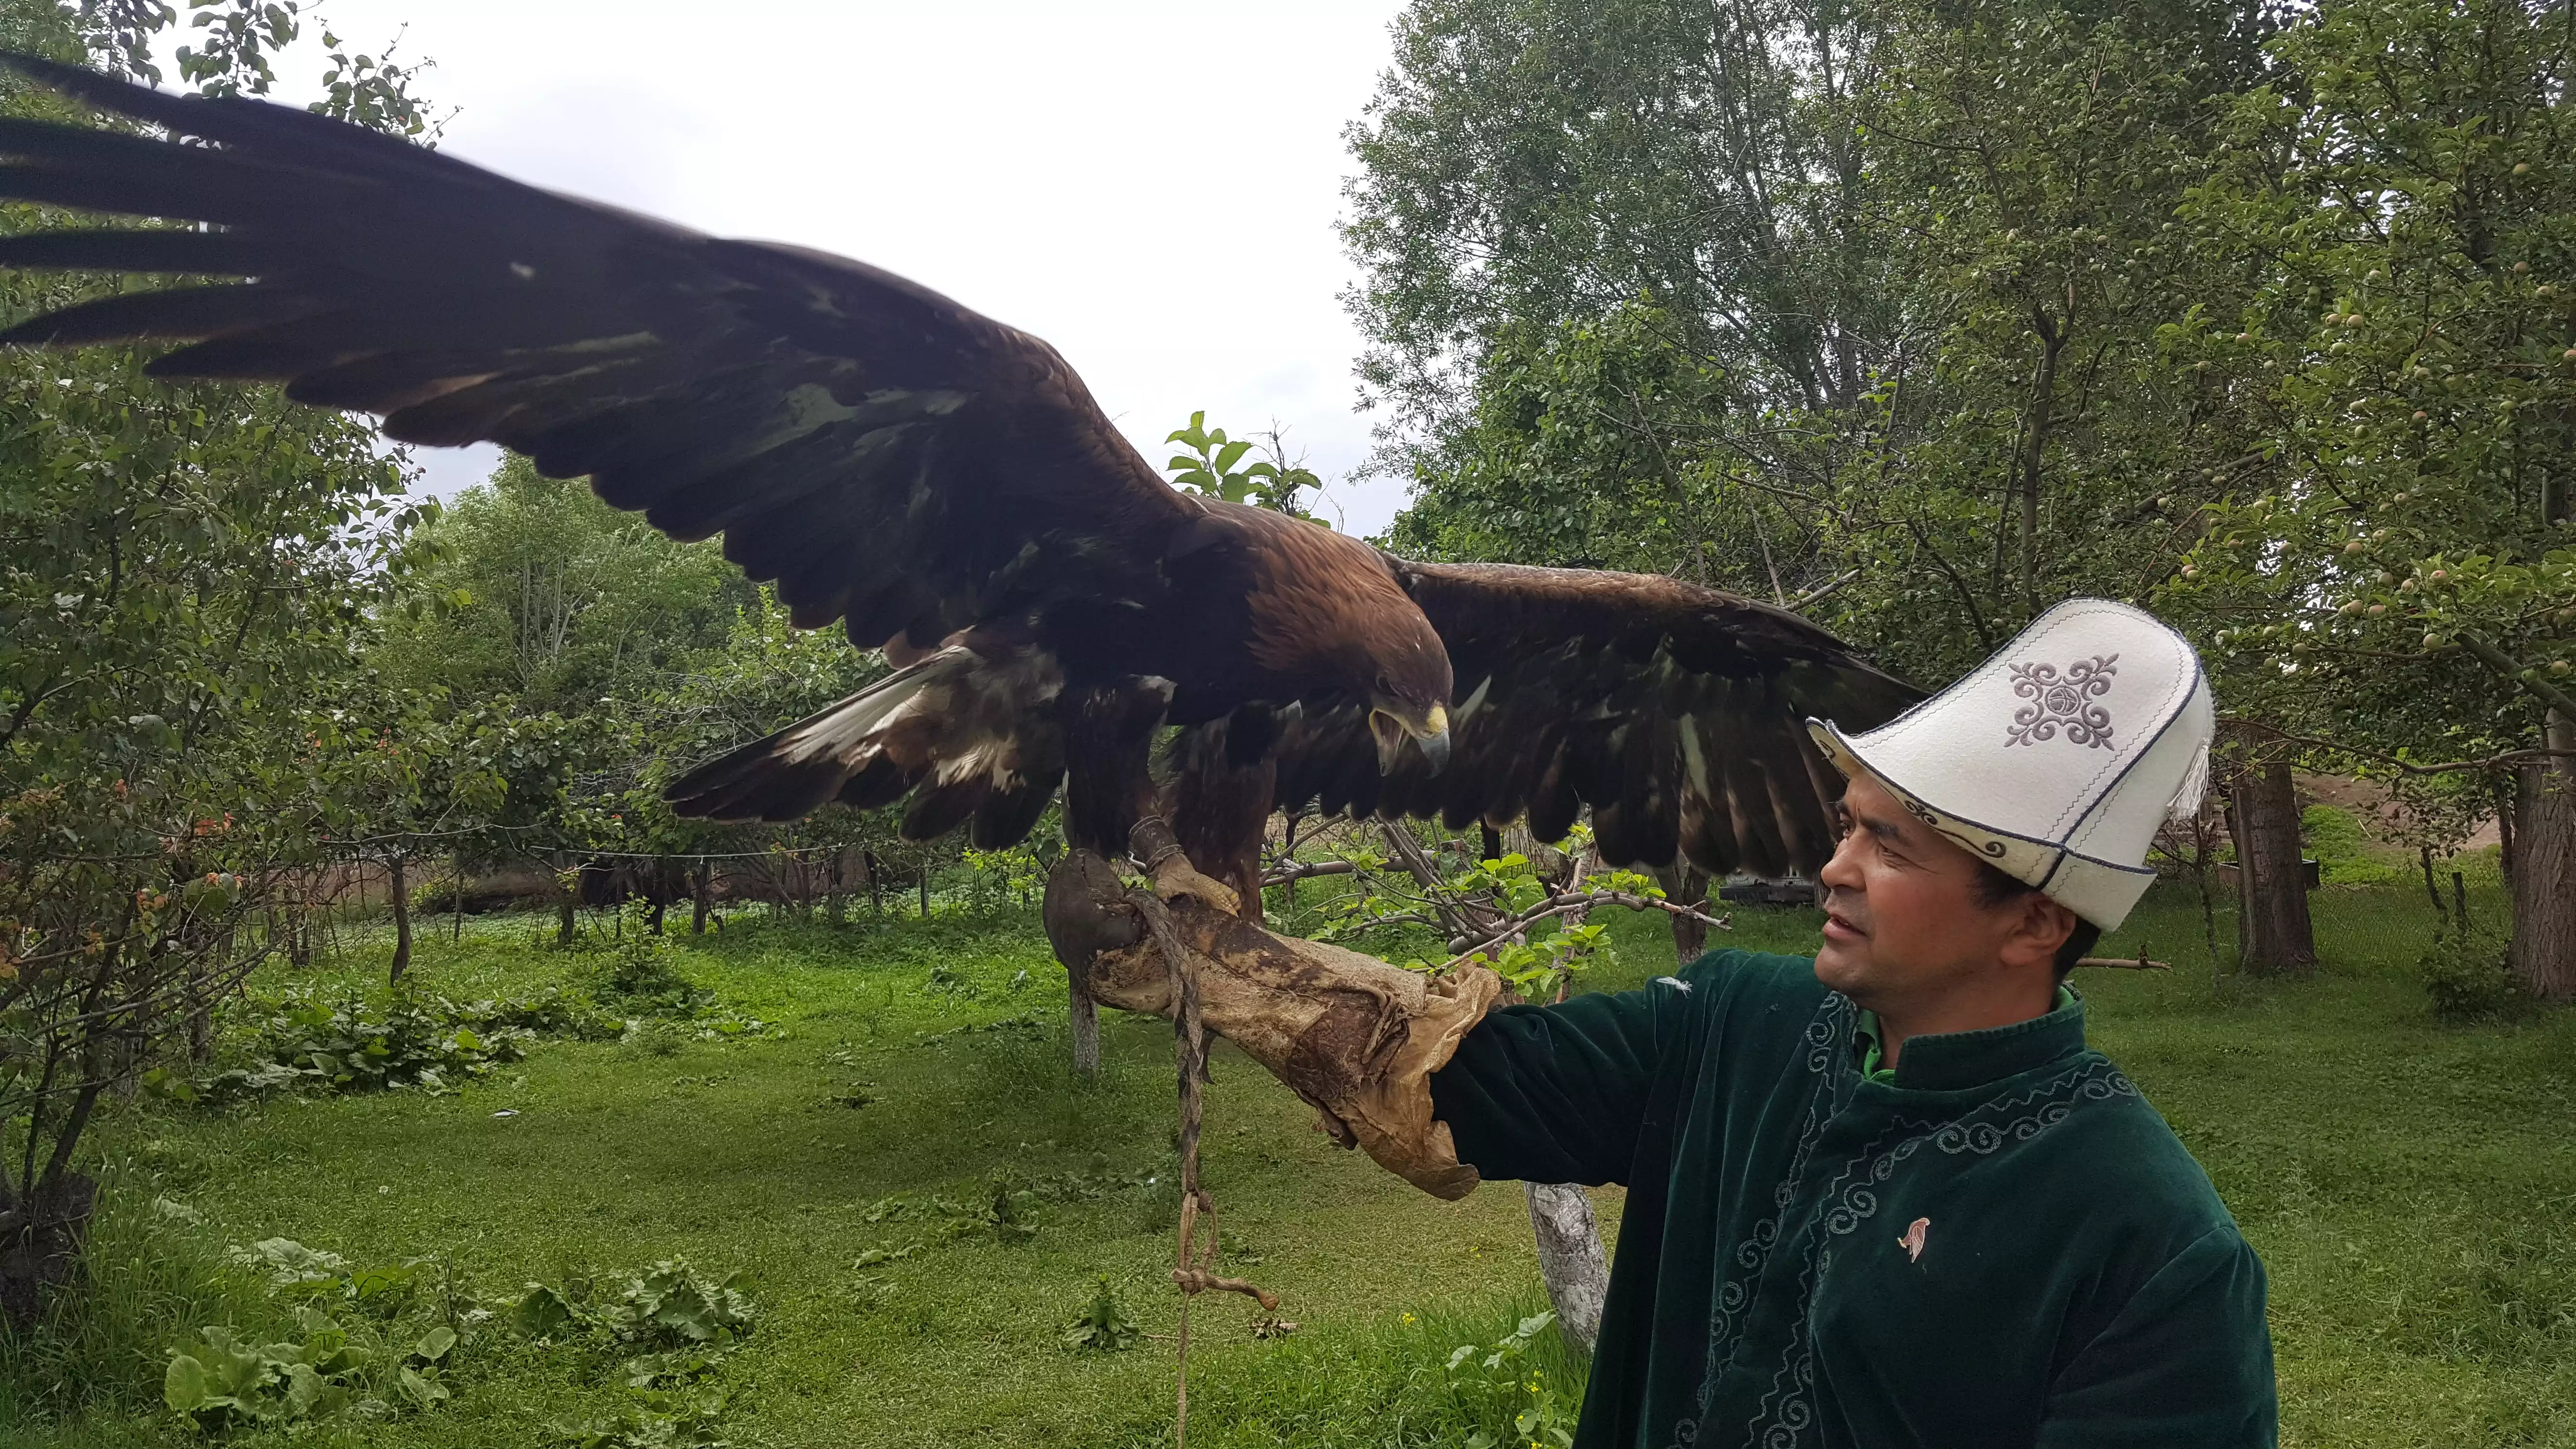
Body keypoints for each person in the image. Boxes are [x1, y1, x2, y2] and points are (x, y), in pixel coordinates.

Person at [1044, 598, 2277, 1449]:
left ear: (2034, 925)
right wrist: (1216, 958)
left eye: (1886, 846)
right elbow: (1458, 1077)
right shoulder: (1735, 1026)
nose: (1831, 868)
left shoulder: (2151, 1245)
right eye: (1845, 823)